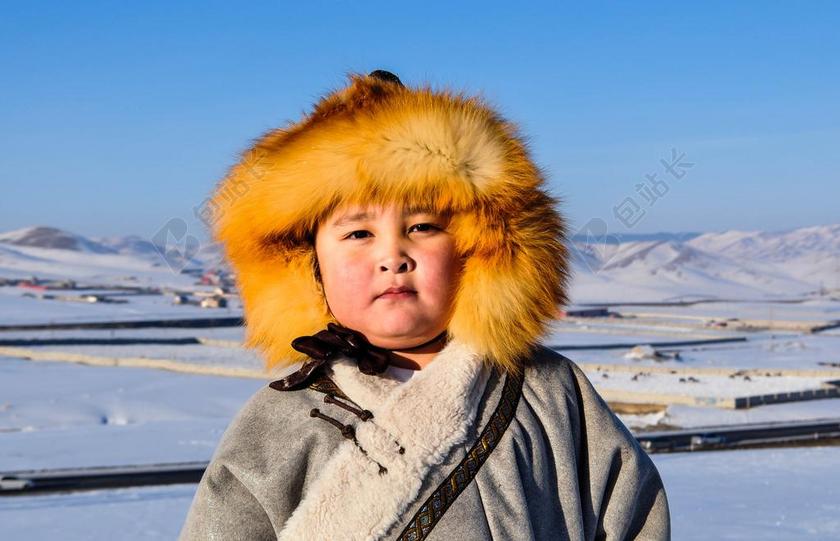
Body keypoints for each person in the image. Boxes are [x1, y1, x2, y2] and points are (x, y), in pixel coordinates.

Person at [179, 70, 670, 540]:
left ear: (480, 252)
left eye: (422, 227)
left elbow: (633, 518)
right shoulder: (279, 422)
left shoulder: (551, 392)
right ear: (308, 268)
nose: (393, 256)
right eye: (357, 233)